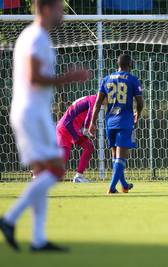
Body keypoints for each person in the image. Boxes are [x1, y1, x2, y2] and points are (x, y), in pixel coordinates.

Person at [0, 0, 89, 252]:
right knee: (57, 170)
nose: (63, 12)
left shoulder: (37, 37)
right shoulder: (36, 37)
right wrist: (68, 78)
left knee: (42, 172)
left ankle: (38, 239)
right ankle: (9, 218)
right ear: (47, 9)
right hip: (32, 112)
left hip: (31, 111)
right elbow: (34, 78)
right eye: (60, 8)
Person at [88, 54, 144, 194]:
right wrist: (138, 113)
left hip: (110, 122)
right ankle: (112, 188)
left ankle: (124, 185)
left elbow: (98, 103)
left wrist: (92, 122)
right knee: (122, 156)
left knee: (115, 155)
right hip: (124, 121)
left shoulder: (106, 79)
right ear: (130, 65)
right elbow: (140, 102)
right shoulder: (132, 79)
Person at [56, 95, 101, 183]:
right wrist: (86, 129)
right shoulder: (94, 100)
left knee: (64, 155)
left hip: (63, 125)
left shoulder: (90, 98)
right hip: (69, 127)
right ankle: (79, 176)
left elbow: (84, 115)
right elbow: (90, 114)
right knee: (89, 147)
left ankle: (40, 173)